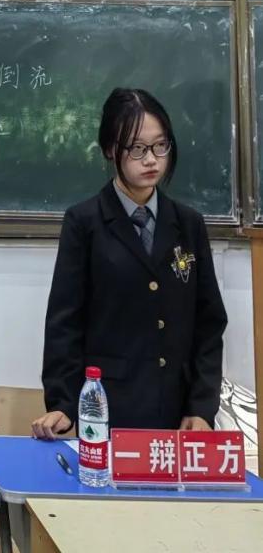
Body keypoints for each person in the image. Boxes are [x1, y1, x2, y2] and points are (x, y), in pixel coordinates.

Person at [32, 88, 227, 439]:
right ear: (110, 149)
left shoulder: (188, 224)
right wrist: (63, 402)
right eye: (137, 148)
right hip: (109, 412)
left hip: (177, 414)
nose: (151, 160)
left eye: (160, 146)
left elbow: (209, 322)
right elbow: (65, 323)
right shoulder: (84, 223)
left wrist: (201, 408)